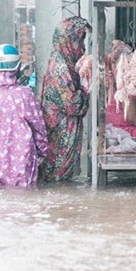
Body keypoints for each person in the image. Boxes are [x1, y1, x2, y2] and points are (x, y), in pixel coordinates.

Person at [0, 44, 48, 187]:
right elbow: (38, 127)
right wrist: (43, 152)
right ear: (17, 67)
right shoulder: (24, 94)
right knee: (21, 200)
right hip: (20, 160)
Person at [40, 16, 92, 182]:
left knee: (62, 178)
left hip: (65, 130)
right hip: (60, 133)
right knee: (58, 179)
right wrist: (86, 87)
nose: (82, 47)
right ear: (69, 39)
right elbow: (72, 105)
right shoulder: (60, 66)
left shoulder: (66, 61)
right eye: (80, 39)